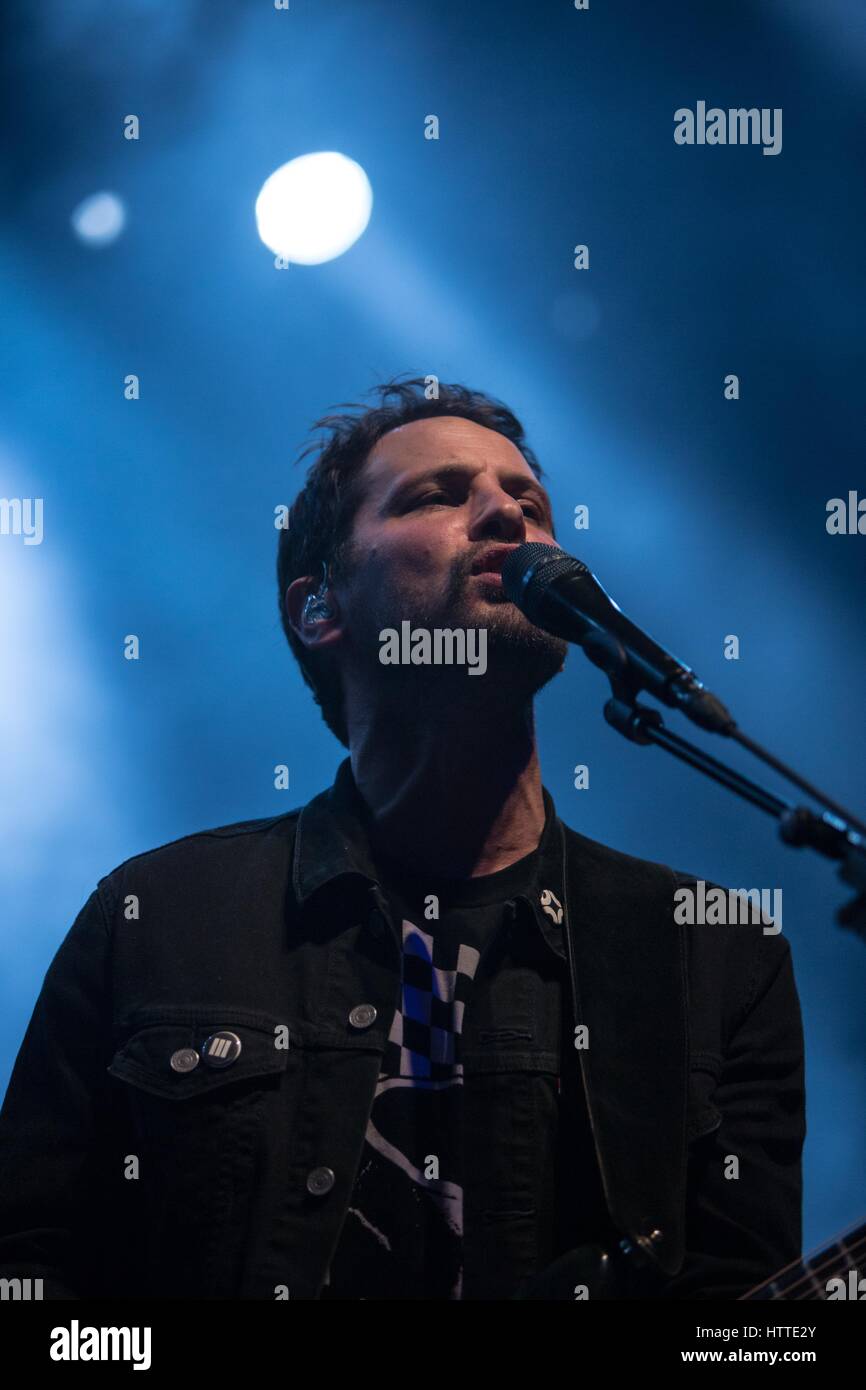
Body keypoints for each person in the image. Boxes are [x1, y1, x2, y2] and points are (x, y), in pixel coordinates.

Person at [0, 378, 805, 1300]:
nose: (506, 512)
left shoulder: (713, 952)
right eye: (439, 495)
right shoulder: (159, 916)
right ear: (322, 609)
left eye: (529, 501)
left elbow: (748, 1328)